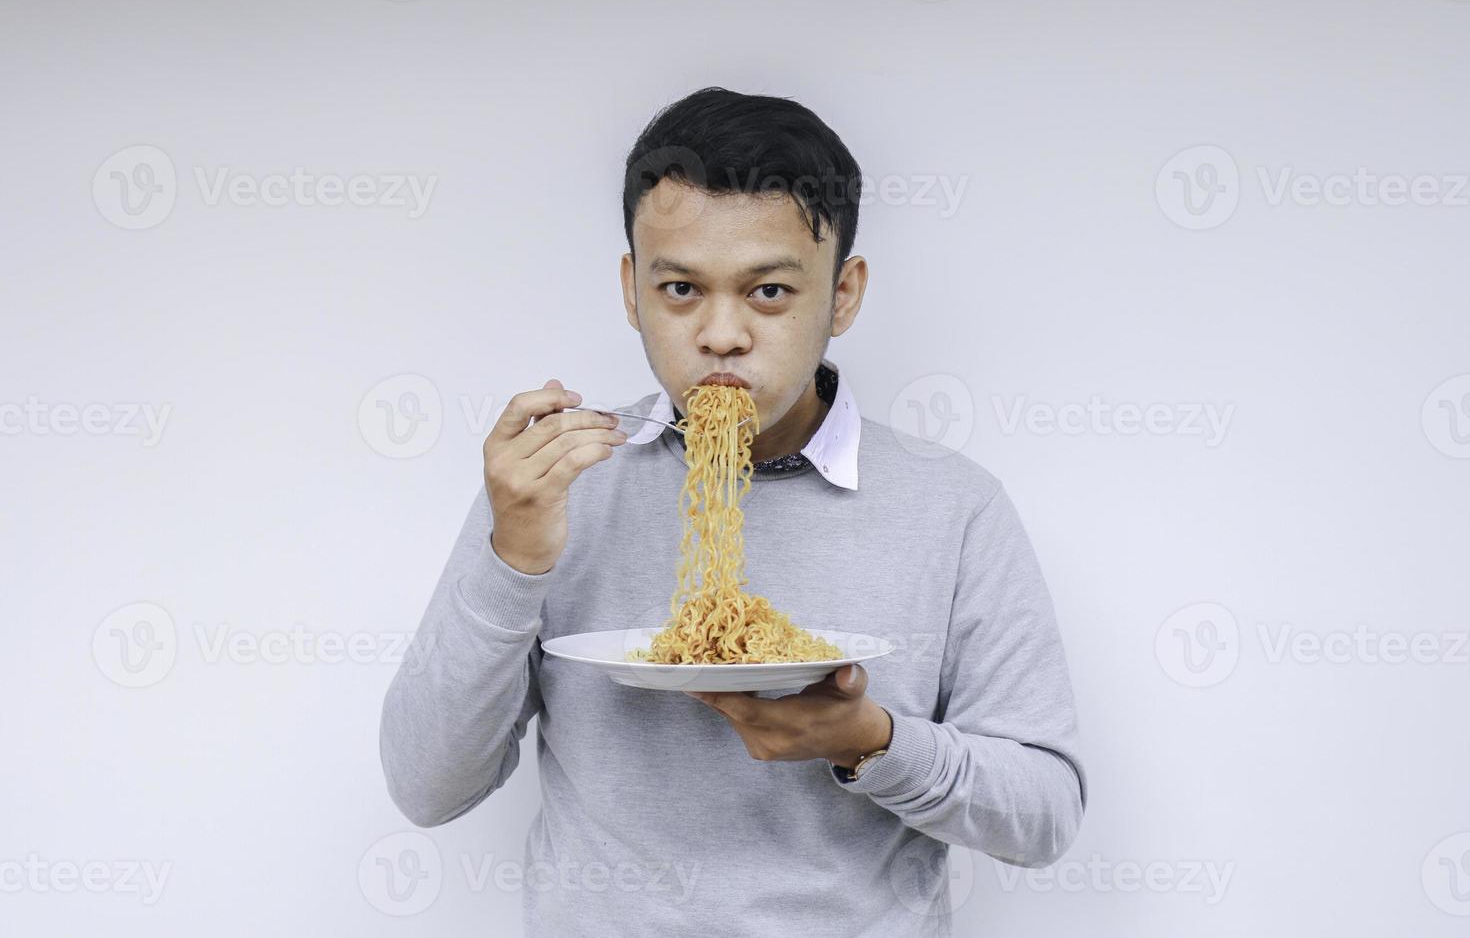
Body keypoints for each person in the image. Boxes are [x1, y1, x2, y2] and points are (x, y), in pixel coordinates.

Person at [378, 86, 1086, 937]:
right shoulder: (561, 485)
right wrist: (514, 556)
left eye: (770, 294)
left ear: (845, 294)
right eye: (681, 288)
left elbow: (1045, 814)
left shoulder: (952, 506)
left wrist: (872, 741)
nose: (721, 334)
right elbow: (427, 786)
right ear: (632, 289)